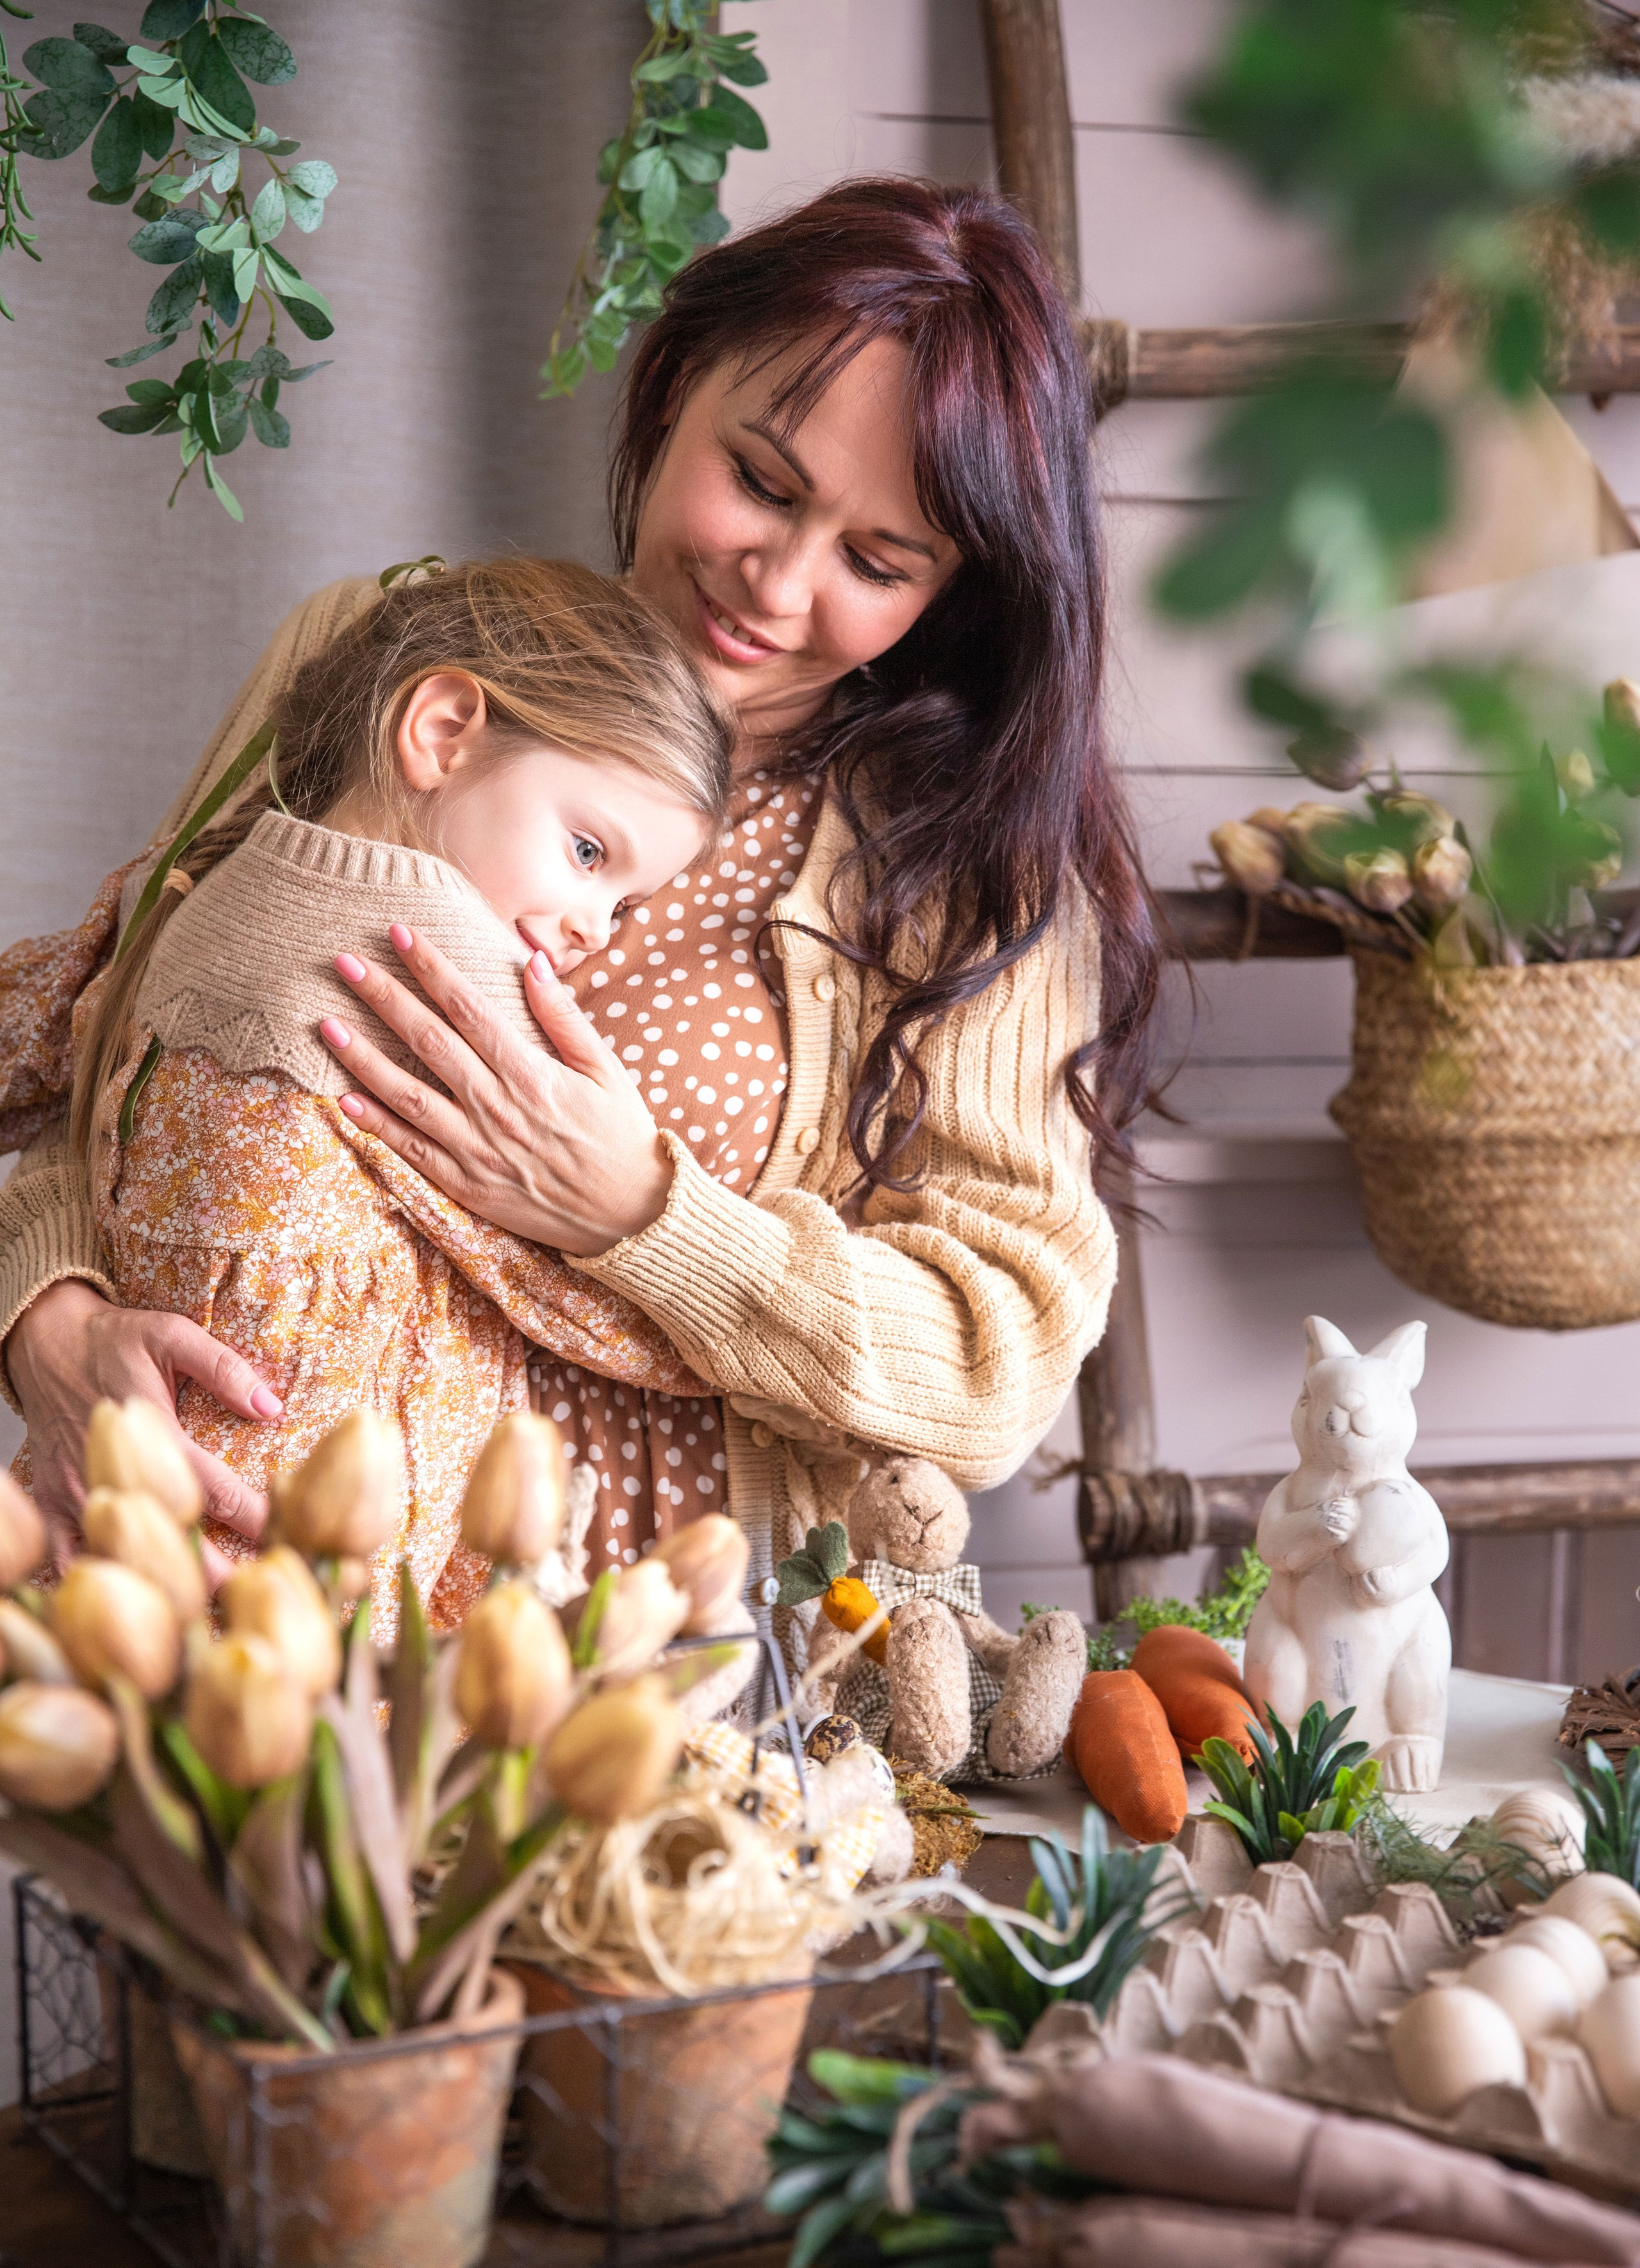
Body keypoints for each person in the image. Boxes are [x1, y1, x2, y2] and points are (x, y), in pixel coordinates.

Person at [0, 174, 1158, 1641]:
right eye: (761, 482)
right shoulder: (382, 650)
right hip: (228, 1620)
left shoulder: (968, 868)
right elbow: (135, 1037)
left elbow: (1002, 1360)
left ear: (952, 590)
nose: (778, 585)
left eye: (877, 563)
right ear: (671, 387)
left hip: (652, 1679)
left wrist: (648, 1218)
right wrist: (49, 1319)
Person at [70, 558, 729, 1628]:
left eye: (626, 904)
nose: (592, 931)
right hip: (273, 1608)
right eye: (587, 851)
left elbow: (42, 1031)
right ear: (442, 731)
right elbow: (620, 1321)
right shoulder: (455, 988)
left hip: (104, 1554)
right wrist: (692, 1273)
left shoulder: (202, 880)